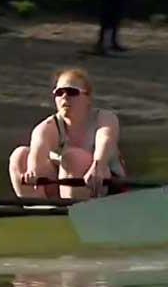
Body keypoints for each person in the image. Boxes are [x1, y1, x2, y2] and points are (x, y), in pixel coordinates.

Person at [8, 68, 123, 200]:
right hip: (64, 185)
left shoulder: (105, 118)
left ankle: (73, 208)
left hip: (104, 182)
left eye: (71, 92)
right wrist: (33, 171)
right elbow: (38, 150)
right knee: (20, 155)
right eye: (59, 93)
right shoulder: (49, 126)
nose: (64, 97)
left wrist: (99, 165)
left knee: (73, 157)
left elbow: (106, 138)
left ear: (88, 98)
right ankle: (38, 207)